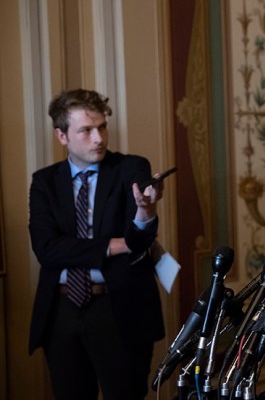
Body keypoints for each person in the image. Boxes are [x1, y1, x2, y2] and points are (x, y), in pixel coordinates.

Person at [28, 89, 166, 400]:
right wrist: (113, 246)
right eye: (86, 130)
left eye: (102, 127)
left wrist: (146, 212)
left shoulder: (130, 168)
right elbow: (47, 249)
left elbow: (139, 242)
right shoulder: (44, 182)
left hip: (118, 308)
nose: (98, 138)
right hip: (61, 312)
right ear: (62, 136)